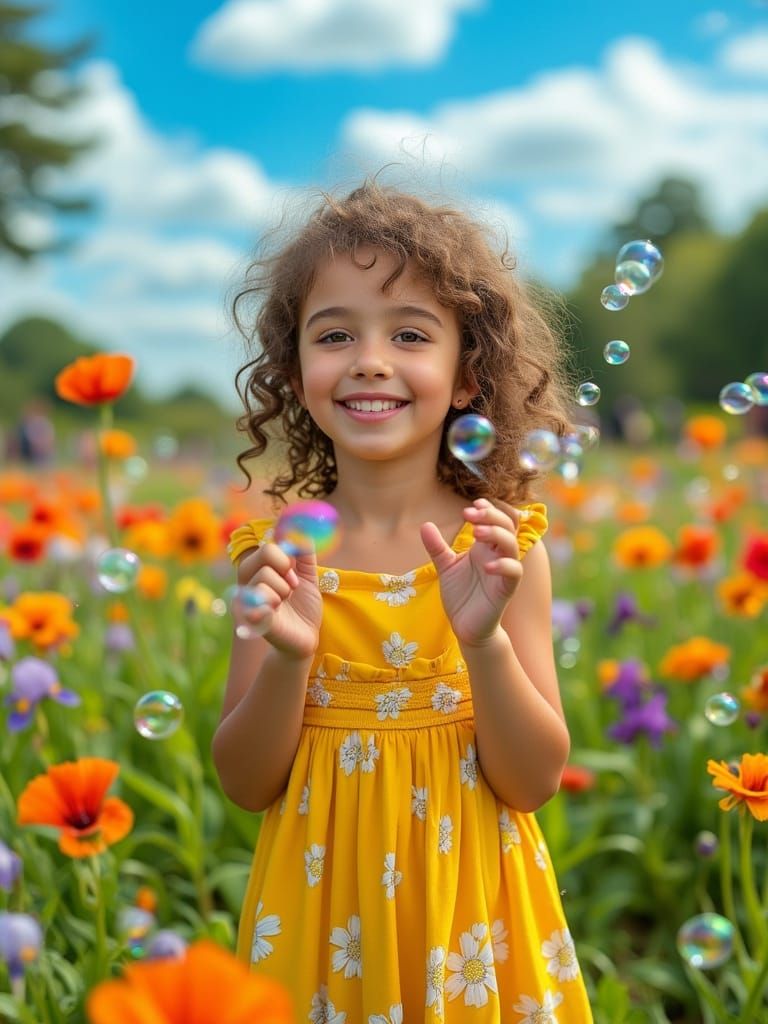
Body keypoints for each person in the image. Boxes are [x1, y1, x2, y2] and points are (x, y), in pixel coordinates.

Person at [213, 181, 594, 1022]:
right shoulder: (280, 559)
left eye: (410, 334)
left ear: (468, 377)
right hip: (322, 921)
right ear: (292, 371)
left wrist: (484, 645)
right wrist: (287, 657)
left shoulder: (502, 552)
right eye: (335, 333)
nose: (370, 359)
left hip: (470, 922)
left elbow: (531, 781)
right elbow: (245, 782)